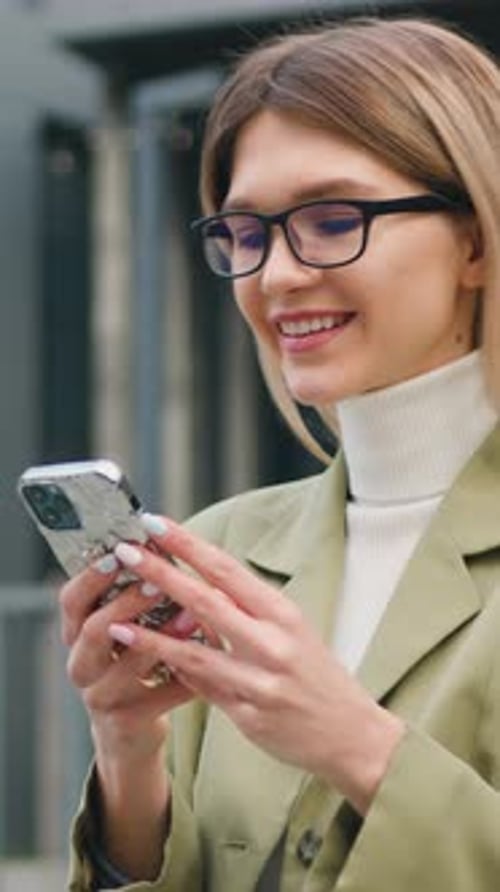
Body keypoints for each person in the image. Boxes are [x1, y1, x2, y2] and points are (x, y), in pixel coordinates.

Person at [66, 15, 500, 892]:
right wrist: (130, 756)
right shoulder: (218, 552)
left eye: (334, 219)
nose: (275, 277)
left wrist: (359, 748)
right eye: (247, 234)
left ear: (477, 238)